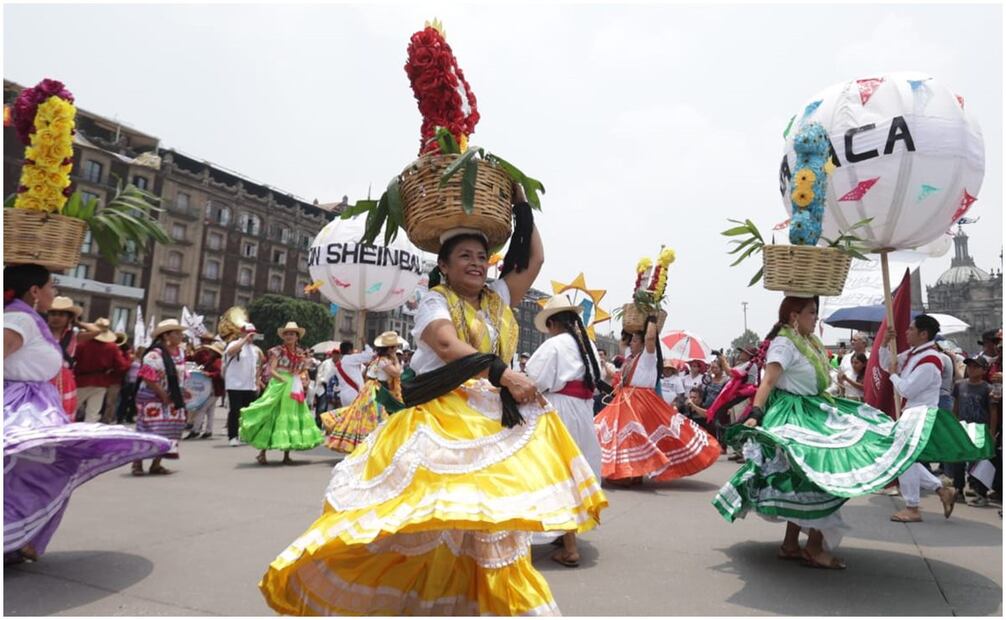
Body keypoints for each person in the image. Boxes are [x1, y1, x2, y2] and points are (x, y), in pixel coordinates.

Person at [259, 190, 606, 615]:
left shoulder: (498, 297)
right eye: (465, 255)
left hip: (495, 423)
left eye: (482, 255)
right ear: (443, 265)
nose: (477, 262)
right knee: (428, 520)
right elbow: (445, 344)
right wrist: (502, 372)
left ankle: (484, 603)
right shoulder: (435, 301)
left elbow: (533, 262)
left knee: (490, 528)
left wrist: (521, 206)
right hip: (442, 419)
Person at [715, 299, 989, 569]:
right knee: (824, 474)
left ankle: (790, 544)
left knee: (806, 476)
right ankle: (813, 547)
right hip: (796, 415)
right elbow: (769, 381)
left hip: (815, 409)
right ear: (794, 315)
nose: (816, 317)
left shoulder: (809, 341)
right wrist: (756, 412)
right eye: (812, 312)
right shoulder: (785, 344)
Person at [4, 264, 170, 563]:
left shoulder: (26, 317)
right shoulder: (19, 318)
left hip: (37, 400)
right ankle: (15, 536)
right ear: (34, 291)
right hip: (20, 403)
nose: (54, 293)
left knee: (35, 468)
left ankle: (20, 538)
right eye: (51, 286)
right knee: (38, 468)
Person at [525, 295, 606, 568]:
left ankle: (569, 545)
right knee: (577, 471)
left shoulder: (555, 345)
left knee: (556, 473)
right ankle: (565, 533)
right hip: (583, 411)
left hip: (559, 410)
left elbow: (535, 380)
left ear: (552, 323)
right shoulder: (589, 345)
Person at [595, 315, 721, 487]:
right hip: (628, 400)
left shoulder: (648, 357)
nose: (631, 343)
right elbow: (623, 343)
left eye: (635, 340)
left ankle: (627, 473)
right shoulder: (631, 357)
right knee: (630, 436)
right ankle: (634, 472)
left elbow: (650, 338)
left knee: (631, 436)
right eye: (631, 340)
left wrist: (651, 320)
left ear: (642, 343)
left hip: (639, 401)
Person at [881, 314, 974, 522]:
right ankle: (941, 490)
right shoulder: (915, 353)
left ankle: (913, 507)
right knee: (904, 460)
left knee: (904, 460)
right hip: (911, 413)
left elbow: (906, 389)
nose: (907, 332)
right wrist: (886, 343)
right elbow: (888, 363)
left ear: (923, 334)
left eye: (911, 329)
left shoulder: (930, 360)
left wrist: (894, 375)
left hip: (919, 414)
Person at [239, 322, 324, 465]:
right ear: (283, 336)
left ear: (297, 337)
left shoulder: (300, 352)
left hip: (293, 386)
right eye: (287, 333)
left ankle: (286, 454)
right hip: (279, 384)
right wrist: (283, 378)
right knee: (271, 415)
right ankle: (262, 453)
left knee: (292, 418)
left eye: (292, 334)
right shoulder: (277, 351)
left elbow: (301, 369)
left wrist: (304, 370)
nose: (289, 336)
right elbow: (271, 370)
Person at [320, 331, 405, 454]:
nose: (395, 349)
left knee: (357, 417)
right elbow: (396, 373)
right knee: (375, 419)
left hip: (366, 391)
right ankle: (374, 447)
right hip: (376, 392)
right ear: (389, 348)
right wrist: (396, 359)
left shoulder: (376, 361)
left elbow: (365, 374)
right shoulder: (383, 361)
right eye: (394, 347)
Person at [133, 319, 190, 475]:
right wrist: (162, 394)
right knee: (149, 430)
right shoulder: (154, 354)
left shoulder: (181, 352)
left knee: (171, 430)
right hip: (152, 397)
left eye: (180, 333)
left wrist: (183, 390)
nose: (180, 336)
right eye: (176, 333)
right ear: (166, 336)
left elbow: (181, 374)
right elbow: (147, 376)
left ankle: (156, 463)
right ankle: (137, 463)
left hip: (173, 397)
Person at [949, 357, 998, 506]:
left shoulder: (988, 389)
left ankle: (981, 493)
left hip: (980, 429)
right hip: (963, 428)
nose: (971, 369)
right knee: (959, 461)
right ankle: (958, 489)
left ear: (984, 370)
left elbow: (993, 411)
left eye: (976, 367)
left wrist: (991, 432)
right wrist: (953, 426)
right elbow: (956, 408)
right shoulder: (959, 386)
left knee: (979, 463)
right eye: (969, 366)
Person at [45, 296, 98, 420]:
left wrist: (77, 322)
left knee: (64, 415)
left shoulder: (74, 336)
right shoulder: (40, 332)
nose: (56, 318)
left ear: (69, 318)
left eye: (62, 314)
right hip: (44, 378)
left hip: (65, 381)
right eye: (53, 313)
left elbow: (97, 331)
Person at [74, 319, 131, 423]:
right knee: (92, 415)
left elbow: (73, 359)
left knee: (69, 410)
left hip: (80, 381)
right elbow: (122, 366)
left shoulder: (82, 343)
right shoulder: (112, 347)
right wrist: (126, 356)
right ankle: (87, 437)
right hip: (101, 382)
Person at [224, 326, 260, 447]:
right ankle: (232, 436)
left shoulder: (254, 349)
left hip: (249, 385)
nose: (251, 335)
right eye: (248, 333)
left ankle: (244, 434)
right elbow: (230, 352)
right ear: (242, 333)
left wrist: (257, 381)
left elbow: (256, 367)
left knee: (248, 412)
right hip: (235, 384)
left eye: (252, 333)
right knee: (235, 411)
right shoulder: (234, 343)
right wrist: (244, 340)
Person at [185, 341, 224, 440]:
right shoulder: (212, 360)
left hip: (214, 388)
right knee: (210, 411)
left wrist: (209, 374)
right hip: (211, 388)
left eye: (212, 350)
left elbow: (219, 373)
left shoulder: (218, 361)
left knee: (202, 408)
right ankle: (208, 431)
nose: (209, 351)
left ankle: (196, 430)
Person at [332, 340, 375, 408]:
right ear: (350, 350)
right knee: (358, 417)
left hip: (343, 396)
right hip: (354, 394)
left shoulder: (338, 365)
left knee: (348, 417)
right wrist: (365, 344)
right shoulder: (351, 358)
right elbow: (369, 355)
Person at [312, 346, 342, 416]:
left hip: (337, 388)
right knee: (322, 408)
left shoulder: (342, 364)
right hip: (324, 387)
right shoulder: (325, 363)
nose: (336, 355)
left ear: (340, 355)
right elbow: (319, 374)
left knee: (335, 409)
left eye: (337, 354)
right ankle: (318, 423)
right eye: (334, 353)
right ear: (332, 354)